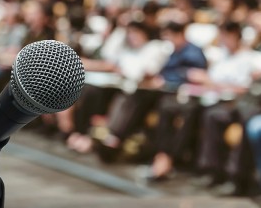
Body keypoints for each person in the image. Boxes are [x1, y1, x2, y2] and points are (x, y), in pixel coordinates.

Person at [94, 20, 208, 165]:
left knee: (162, 107)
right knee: (129, 96)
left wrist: (163, 79)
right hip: (160, 92)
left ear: (179, 35)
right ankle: (115, 137)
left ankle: (165, 157)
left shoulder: (192, 52)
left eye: (169, 36)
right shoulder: (170, 51)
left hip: (181, 96)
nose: (167, 40)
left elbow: (192, 75)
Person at [191, 21, 261, 195]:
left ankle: (237, 177)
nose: (224, 40)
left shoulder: (251, 57)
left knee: (248, 121)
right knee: (211, 116)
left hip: (247, 103)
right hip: (225, 102)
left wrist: (215, 84)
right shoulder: (222, 56)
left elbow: (244, 88)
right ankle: (213, 171)